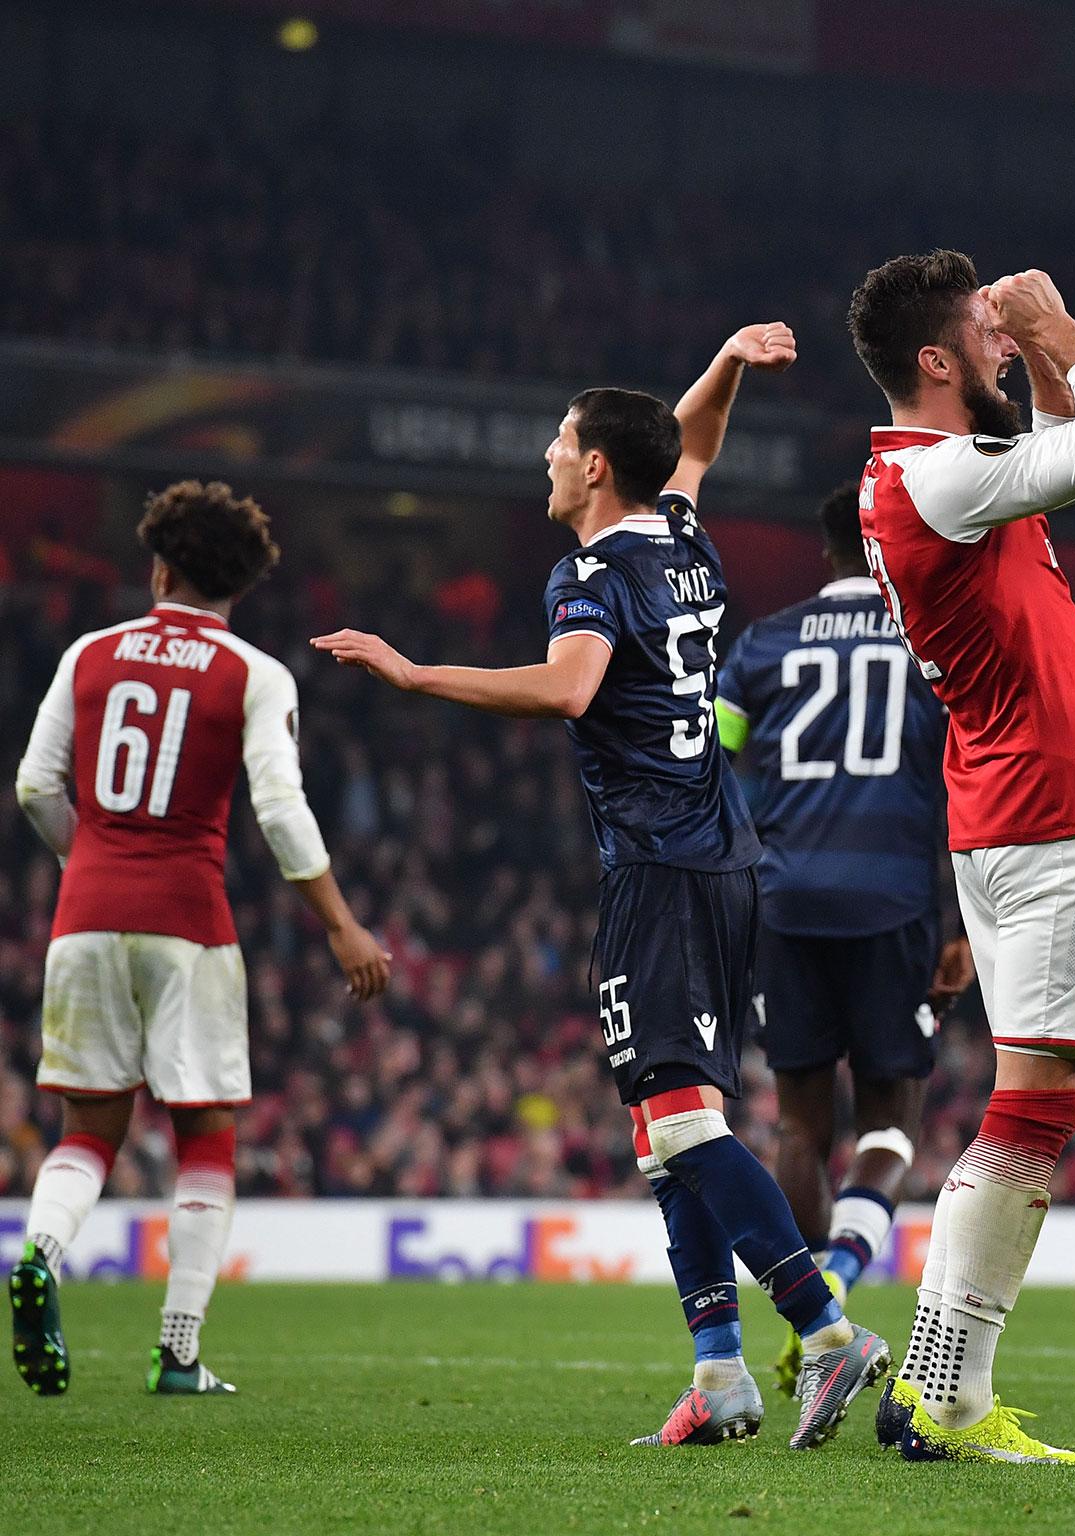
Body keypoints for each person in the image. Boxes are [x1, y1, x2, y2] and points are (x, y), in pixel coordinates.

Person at [312, 324, 890, 1451]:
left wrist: (413, 668)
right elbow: (693, 444)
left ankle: (825, 1333)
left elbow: (571, 691)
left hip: (661, 869)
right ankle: (719, 1374)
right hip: (722, 857)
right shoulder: (678, 533)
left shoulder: (588, 572)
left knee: (678, 1124)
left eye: (557, 440)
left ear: (591, 468)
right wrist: (723, 364)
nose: (543, 454)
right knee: (665, 1128)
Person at [845, 250, 1075, 1464]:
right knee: (1035, 1103)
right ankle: (948, 1392)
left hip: (1012, 809)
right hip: (1052, 815)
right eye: (977, 335)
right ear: (934, 362)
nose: (998, 346)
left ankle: (936, 1382)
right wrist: (1056, 324)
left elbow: (1057, 446)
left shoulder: (919, 475)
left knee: (1037, 1095)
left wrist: (1026, 352)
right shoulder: (941, 478)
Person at [11, 480, 390, 1398]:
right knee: (205, 1133)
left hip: (86, 914)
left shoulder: (90, 654)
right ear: (243, 584)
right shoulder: (255, 673)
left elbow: (32, 785)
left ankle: (39, 1254)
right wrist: (339, 922)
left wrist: (89, 861)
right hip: (188, 919)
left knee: (89, 1127)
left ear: (160, 566)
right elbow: (279, 807)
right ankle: (177, 1349)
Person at [715, 481, 970, 1398]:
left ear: (824, 554)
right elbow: (966, 787)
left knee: (800, 1124)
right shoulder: (930, 647)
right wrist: (964, 926)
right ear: (886, 543)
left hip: (782, 907)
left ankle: (814, 1329)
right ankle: (837, 1284)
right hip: (892, 905)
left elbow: (713, 776)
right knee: (892, 1120)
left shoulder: (761, 645)